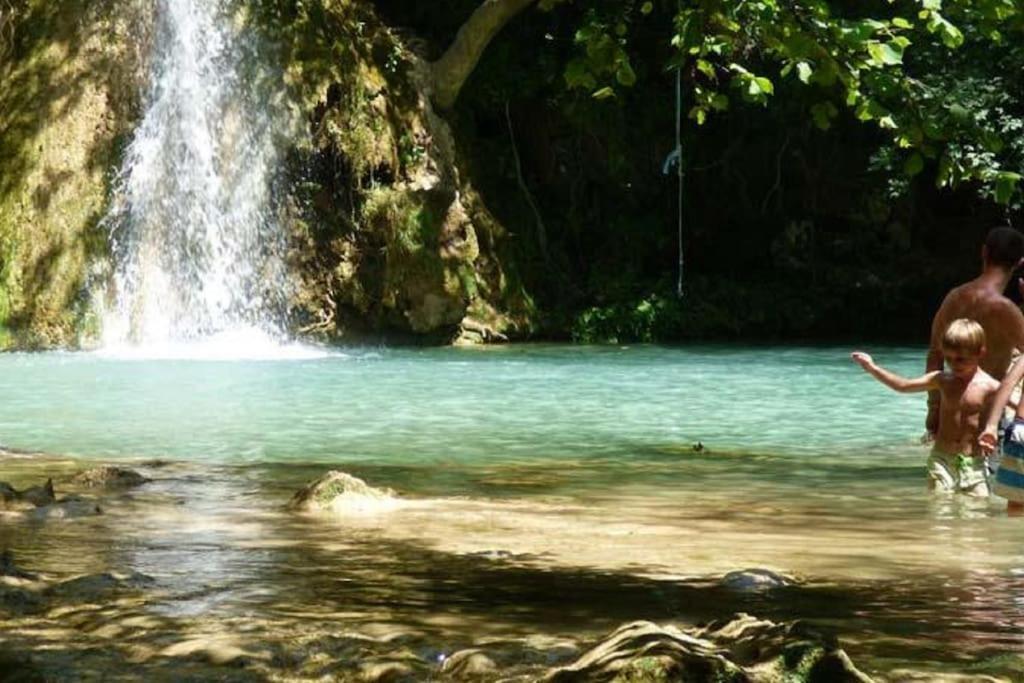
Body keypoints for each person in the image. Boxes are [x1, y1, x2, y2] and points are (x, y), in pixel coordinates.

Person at [853, 318, 998, 496]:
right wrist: (872, 368)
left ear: (980, 353)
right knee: (940, 508)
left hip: (974, 462)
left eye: (961, 359)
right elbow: (903, 386)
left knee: (977, 511)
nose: (954, 364)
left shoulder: (991, 386)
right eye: (949, 359)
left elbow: (1016, 406)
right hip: (941, 459)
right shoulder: (942, 380)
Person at [925, 227, 1024, 439]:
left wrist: (933, 410)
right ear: (1019, 263)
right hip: (987, 426)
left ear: (984, 252)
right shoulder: (1008, 312)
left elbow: (935, 357)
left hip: (949, 421)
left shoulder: (953, 298)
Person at [978, 357, 1024, 514]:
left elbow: (1006, 385)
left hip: (1020, 432)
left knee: (1017, 502)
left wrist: (991, 425)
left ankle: (1010, 537)